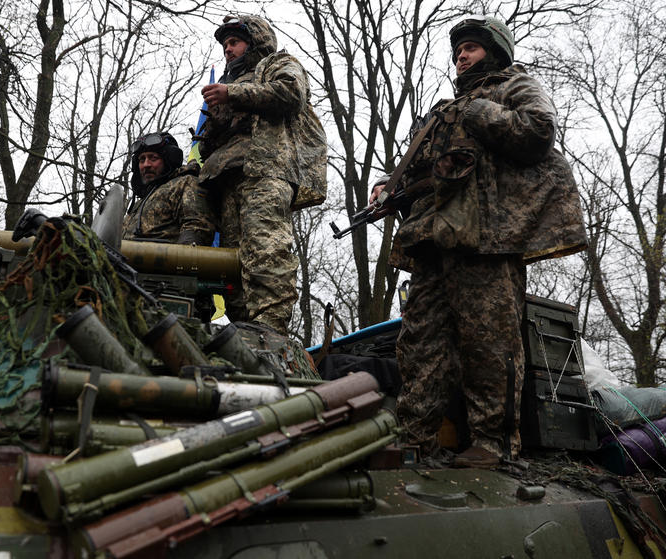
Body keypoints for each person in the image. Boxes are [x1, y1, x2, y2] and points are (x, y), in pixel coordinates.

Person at [373, 16, 587, 467]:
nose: (460, 57)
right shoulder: (444, 111)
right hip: (434, 238)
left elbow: (538, 131)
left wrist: (479, 112)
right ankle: (414, 441)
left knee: (488, 344)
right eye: (457, 51)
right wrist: (388, 189)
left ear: (494, 51)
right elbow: (423, 171)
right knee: (419, 343)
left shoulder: (514, 86)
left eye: (469, 48)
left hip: (487, 240)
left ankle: (492, 444)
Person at [198, 15, 327, 335]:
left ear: (255, 42)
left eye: (234, 42)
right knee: (234, 264)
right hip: (229, 181)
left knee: (265, 251)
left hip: (265, 171)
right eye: (225, 45)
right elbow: (210, 142)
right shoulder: (229, 85)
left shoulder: (277, 64)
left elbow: (290, 94)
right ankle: (244, 331)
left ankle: (269, 329)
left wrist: (233, 95)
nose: (228, 50)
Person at [121, 131, 215, 245]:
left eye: (153, 158)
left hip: (165, 260)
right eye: (142, 160)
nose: (146, 164)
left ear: (168, 160)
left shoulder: (184, 184)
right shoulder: (139, 204)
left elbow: (198, 228)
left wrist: (179, 260)